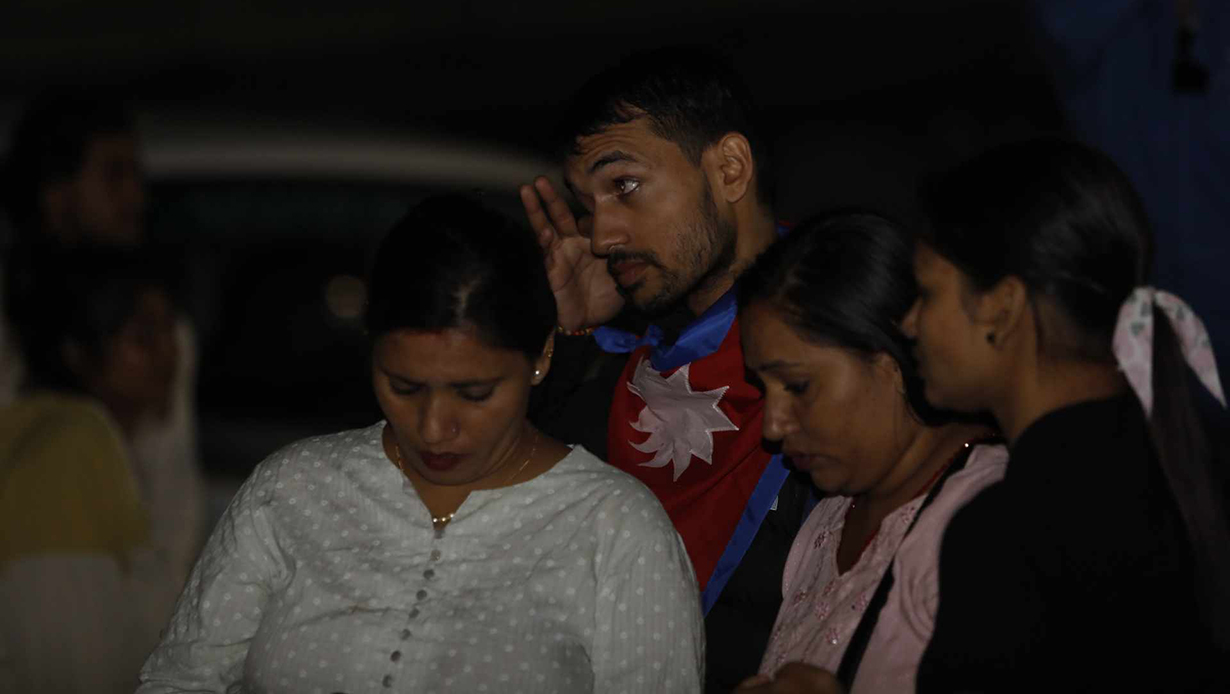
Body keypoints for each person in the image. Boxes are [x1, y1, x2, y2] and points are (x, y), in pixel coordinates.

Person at [137, 196, 703, 693]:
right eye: (404, 387)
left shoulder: (616, 530)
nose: (433, 428)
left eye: (475, 394)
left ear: (541, 356)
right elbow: (179, 680)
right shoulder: (292, 489)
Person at [521, 48, 813, 692]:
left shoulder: (851, 337)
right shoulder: (627, 354)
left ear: (729, 169)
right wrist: (572, 340)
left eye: (624, 186)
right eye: (588, 204)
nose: (602, 236)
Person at [902, 139, 1229, 691]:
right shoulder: (1188, 463)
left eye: (927, 294)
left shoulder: (1010, 534)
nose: (909, 322)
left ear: (1001, 307)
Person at [729, 212, 1006, 694]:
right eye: (763, 388)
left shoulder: (988, 521)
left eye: (798, 385)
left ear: (890, 362)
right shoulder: (828, 520)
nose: (773, 426)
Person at [0, 93, 206, 585]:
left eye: (136, 176)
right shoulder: (10, 328)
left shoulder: (164, 332)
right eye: (114, 176)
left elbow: (172, 496)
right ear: (56, 194)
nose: (135, 197)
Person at [0, 247, 184, 693]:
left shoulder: (94, 440)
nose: (168, 352)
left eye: (169, 330)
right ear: (77, 352)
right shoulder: (69, 445)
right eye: (142, 336)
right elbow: (73, 657)